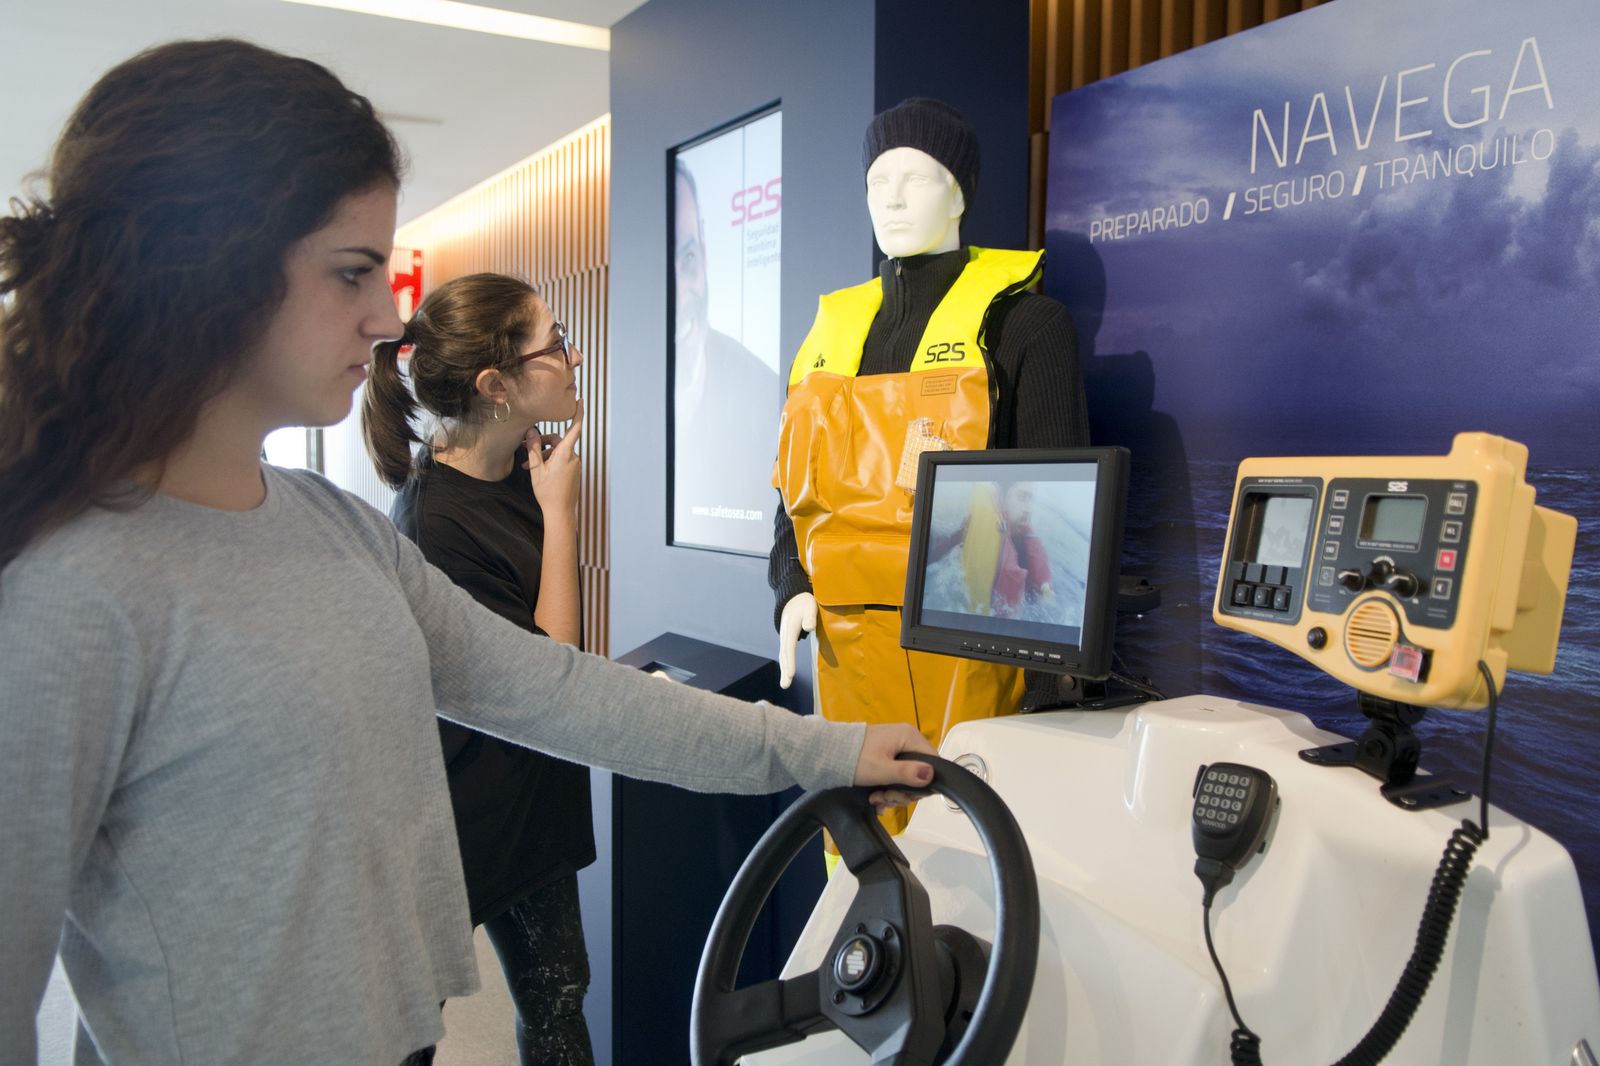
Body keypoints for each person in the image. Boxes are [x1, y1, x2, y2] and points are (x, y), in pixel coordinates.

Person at [0, 39, 934, 1065]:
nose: (386, 315)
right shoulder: (67, 596)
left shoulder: (336, 530)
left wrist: (822, 750)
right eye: (352, 271)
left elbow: (568, 692)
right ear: (210, 265)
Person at [768, 97, 1090, 850]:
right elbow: (788, 495)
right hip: (845, 661)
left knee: (967, 879)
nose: (892, 197)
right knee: (858, 871)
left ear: (961, 193)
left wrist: (1051, 704)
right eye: (878, 181)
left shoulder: (1023, 325)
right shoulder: (829, 335)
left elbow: (1055, 522)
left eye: (916, 176)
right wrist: (791, 588)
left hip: (974, 671)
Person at [362, 272, 595, 1064]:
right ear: (497, 385)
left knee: (560, 997)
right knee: (407, 1030)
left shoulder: (524, 468)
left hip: (533, 792)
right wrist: (560, 516)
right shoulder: (433, 523)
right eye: (556, 344)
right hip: (458, 811)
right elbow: (549, 680)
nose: (571, 358)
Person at [671, 161, 781, 552]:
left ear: (703, 245)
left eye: (688, 259)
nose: (682, 294)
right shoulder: (624, 402)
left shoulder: (766, 394)